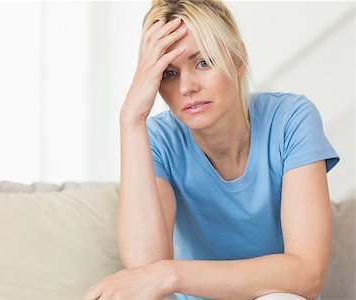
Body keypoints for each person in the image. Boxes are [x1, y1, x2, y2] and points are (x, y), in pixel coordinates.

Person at [82, 0, 339, 299]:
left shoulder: (291, 118)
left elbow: (306, 275)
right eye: (168, 73)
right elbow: (145, 270)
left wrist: (171, 274)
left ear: (238, 58)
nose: (186, 87)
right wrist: (131, 120)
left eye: (202, 63)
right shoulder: (158, 139)